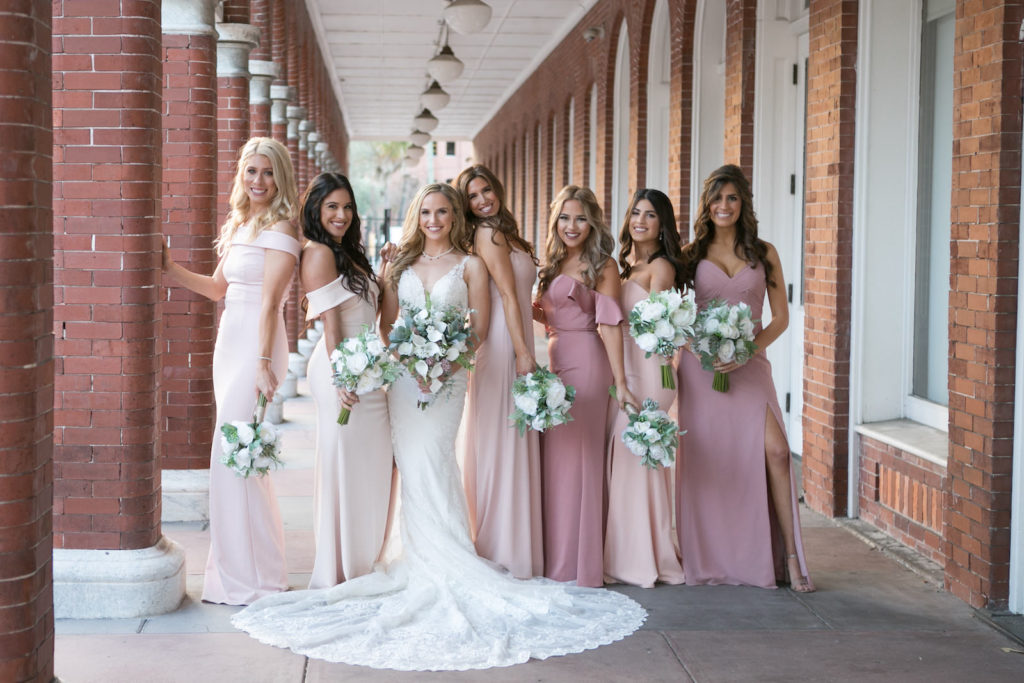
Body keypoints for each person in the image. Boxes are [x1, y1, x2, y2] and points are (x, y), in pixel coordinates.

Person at [230, 184, 645, 671]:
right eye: (426, 212)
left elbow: (476, 330)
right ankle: (417, 556)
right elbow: (386, 326)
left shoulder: (469, 265)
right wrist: (412, 358)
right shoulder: (399, 266)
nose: (433, 220)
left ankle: (449, 554)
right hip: (405, 382)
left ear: (454, 217)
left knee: (436, 459)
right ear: (416, 216)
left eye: (443, 212)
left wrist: (447, 364)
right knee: (410, 463)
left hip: (447, 384)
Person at [162, 137, 299, 605]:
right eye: (251, 171)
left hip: (258, 346)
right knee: (233, 454)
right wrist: (170, 268)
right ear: (240, 175)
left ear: (280, 177)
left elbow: (269, 303)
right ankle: (234, 569)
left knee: (239, 453)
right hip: (230, 341)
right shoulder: (242, 223)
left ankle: (258, 574)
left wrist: (263, 364)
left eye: (267, 172)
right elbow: (219, 289)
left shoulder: (282, 227)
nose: (258, 180)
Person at [676, 164, 814, 592]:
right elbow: (674, 313)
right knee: (713, 465)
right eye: (717, 198)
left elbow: (781, 319)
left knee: (775, 451)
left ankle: (790, 557)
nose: (724, 206)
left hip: (751, 367)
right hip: (702, 373)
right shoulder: (689, 255)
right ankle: (714, 556)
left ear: (743, 203)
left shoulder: (764, 252)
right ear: (706, 204)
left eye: (732, 198)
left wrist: (745, 351)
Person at [533, 185, 638, 588]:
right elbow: (547, 314)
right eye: (564, 218)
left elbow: (609, 323)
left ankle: (580, 564)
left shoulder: (603, 265)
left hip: (591, 366)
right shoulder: (553, 261)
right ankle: (558, 558)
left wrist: (621, 381)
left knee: (580, 458)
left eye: (579, 218)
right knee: (557, 460)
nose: (571, 226)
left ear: (592, 221)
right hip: (557, 362)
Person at [299, 172, 395, 589]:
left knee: (370, 467)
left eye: (347, 206)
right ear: (317, 210)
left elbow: (374, 317)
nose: (341, 214)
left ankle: (363, 557)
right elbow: (332, 324)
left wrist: (387, 270)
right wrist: (341, 376)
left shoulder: (349, 253)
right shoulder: (319, 252)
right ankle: (341, 567)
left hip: (367, 366)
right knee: (345, 466)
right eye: (332, 206)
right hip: (341, 368)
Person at [454, 164, 543, 579]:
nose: (482, 199)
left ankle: (514, 544)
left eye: (485, 189)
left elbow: (521, 295)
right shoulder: (487, 234)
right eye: (472, 196)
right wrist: (524, 352)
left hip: (516, 337)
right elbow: (506, 293)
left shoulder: (504, 231)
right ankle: (499, 547)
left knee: (513, 441)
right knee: (501, 442)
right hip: (504, 346)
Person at [603, 189, 686, 588]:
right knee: (626, 462)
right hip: (625, 371)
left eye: (650, 215)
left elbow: (663, 331)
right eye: (635, 212)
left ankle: (645, 558)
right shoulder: (626, 269)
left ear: (662, 224)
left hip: (651, 373)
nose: (640, 220)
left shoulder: (662, 269)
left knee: (638, 457)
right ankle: (627, 553)